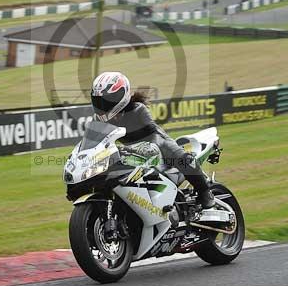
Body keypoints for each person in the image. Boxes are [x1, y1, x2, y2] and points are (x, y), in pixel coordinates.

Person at [90, 72, 215, 208]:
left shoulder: (137, 109)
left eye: (108, 100)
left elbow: (151, 136)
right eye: (99, 101)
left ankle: (205, 192)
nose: (103, 105)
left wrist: (127, 149)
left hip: (158, 143)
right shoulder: (100, 120)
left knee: (182, 158)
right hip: (132, 153)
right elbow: (94, 143)